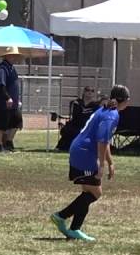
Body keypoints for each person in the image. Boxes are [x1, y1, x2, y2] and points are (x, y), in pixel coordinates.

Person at [50, 84, 130, 242]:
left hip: (81, 150)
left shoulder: (106, 110)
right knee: (95, 192)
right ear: (125, 100)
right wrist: (101, 165)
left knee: (89, 191)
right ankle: (61, 216)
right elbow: (101, 140)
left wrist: (110, 162)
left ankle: (74, 229)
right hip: (84, 153)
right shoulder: (111, 115)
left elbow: (105, 140)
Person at [0, 47, 23, 152]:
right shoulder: (2, 68)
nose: (14, 57)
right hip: (3, 102)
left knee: (17, 121)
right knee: (1, 125)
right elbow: (1, 85)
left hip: (13, 103)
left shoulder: (12, 68)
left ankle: (9, 142)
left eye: (15, 55)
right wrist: (7, 98)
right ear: (6, 56)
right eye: (12, 55)